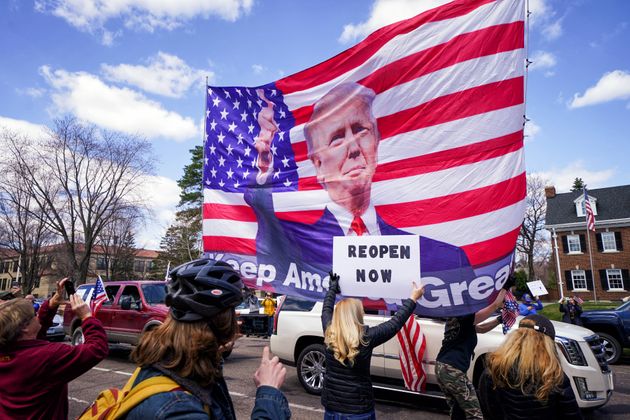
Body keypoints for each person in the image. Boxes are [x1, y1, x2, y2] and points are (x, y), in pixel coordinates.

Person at [247, 82, 474, 290]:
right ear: (317, 164)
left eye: (360, 130)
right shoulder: (295, 248)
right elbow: (266, 226)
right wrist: (264, 167)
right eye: (337, 138)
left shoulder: (446, 260)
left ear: (376, 141)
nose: (354, 148)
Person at [126, 258, 291, 419]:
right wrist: (269, 392)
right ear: (221, 321)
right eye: (232, 310)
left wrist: (211, 353)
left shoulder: (162, 364)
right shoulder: (177, 409)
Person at [320, 272, 425, 419]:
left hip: (332, 410)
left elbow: (326, 310)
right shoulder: (366, 337)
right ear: (356, 315)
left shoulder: (329, 332)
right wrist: (413, 298)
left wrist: (332, 288)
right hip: (359, 411)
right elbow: (395, 323)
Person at [0, 278, 108, 419]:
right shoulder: (47, 356)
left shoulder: (7, 348)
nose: (37, 316)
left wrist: (51, 304)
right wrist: (87, 317)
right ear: (25, 326)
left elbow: (33, 336)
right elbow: (97, 348)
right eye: (34, 314)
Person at [435, 275, 515, 420]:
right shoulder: (462, 315)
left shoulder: (461, 319)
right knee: (475, 414)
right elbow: (495, 305)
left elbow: (482, 328)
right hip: (452, 370)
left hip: (444, 368)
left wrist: (499, 320)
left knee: (458, 410)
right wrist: (505, 286)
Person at [478, 314, 582, 419]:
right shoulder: (554, 376)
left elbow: (489, 411)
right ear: (547, 344)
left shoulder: (493, 372)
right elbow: (571, 415)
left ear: (515, 339)